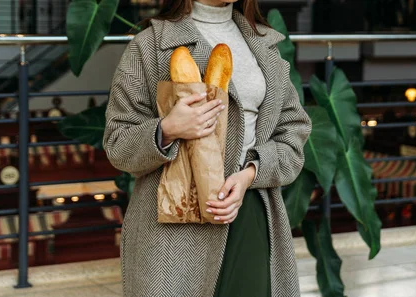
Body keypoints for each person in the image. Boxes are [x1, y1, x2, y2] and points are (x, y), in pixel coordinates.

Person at [102, 0, 312, 296]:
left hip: (249, 212)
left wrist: (251, 173)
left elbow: (294, 131)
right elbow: (117, 143)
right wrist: (168, 129)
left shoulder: (264, 44)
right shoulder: (150, 45)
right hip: (173, 230)